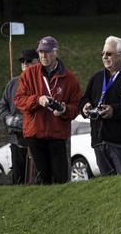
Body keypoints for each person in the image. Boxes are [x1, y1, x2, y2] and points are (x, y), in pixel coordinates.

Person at [14, 37, 81, 184]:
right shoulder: (28, 74)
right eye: (41, 52)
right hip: (35, 133)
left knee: (60, 178)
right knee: (43, 178)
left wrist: (64, 109)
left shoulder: (70, 78)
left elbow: (76, 107)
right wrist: (37, 100)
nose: (44, 56)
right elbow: (18, 100)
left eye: (48, 52)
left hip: (57, 133)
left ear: (56, 52)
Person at [79, 36, 121, 175]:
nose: (105, 57)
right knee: (109, 187)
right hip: (99, 140)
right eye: (103, 54)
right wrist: (85, 106)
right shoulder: (97, 77)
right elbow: (84, 98)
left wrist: (114, 111)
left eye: (109, 53)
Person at [0, 49, 39, 184]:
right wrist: (9, 119)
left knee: (38, 179)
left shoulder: (42, 83)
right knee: (19, 179)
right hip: (17, 139)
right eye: (22, 62)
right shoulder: (13, 84)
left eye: (29, 61)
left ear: (38, 63)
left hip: (38, 138)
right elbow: (2, 107)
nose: (25, 64)